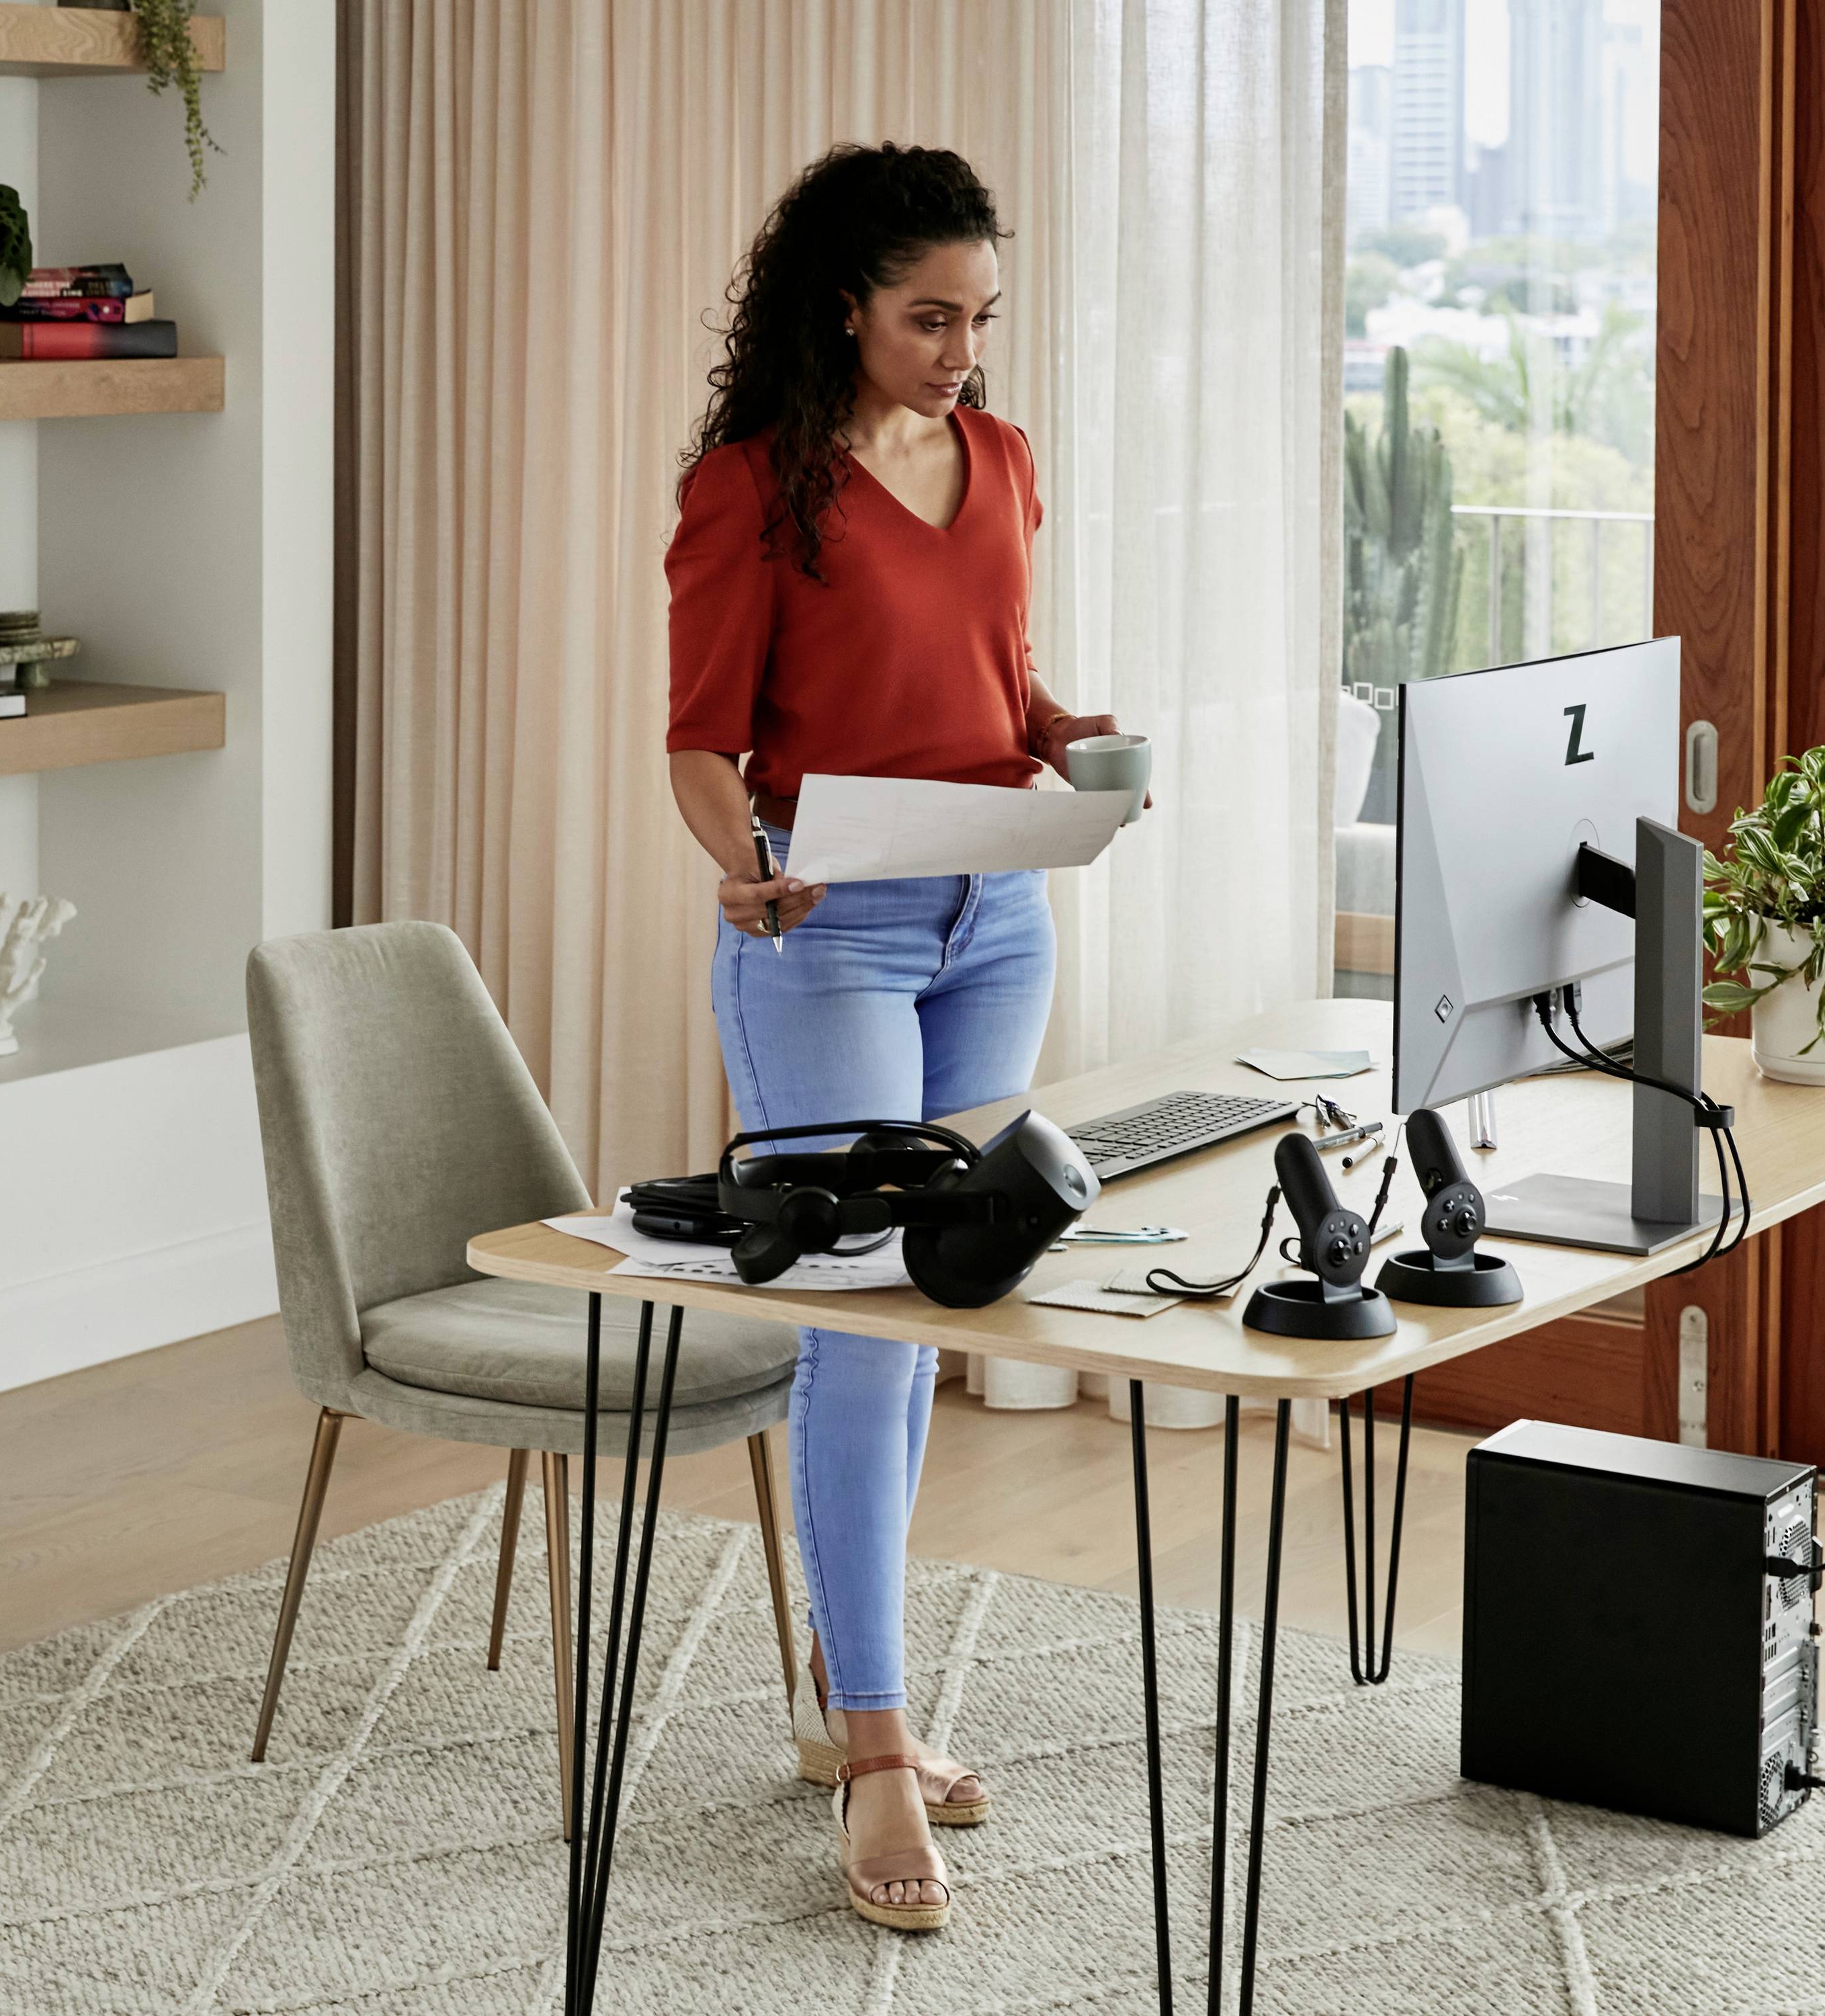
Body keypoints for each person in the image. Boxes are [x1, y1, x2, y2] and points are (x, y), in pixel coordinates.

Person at [665, 142, 1140, 1933]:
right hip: (830, 935)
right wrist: (743, 867)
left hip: (996, 915)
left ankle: (844, 1687)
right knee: (860, 1333)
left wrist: (1073, 741)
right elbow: (702, 739)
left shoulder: (999, 459)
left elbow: (994, 679)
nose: (962, 351)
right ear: (844, 306)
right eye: (930, 318)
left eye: (981, 318)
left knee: (939, 1304)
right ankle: (874, 1743)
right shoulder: (751, 489)